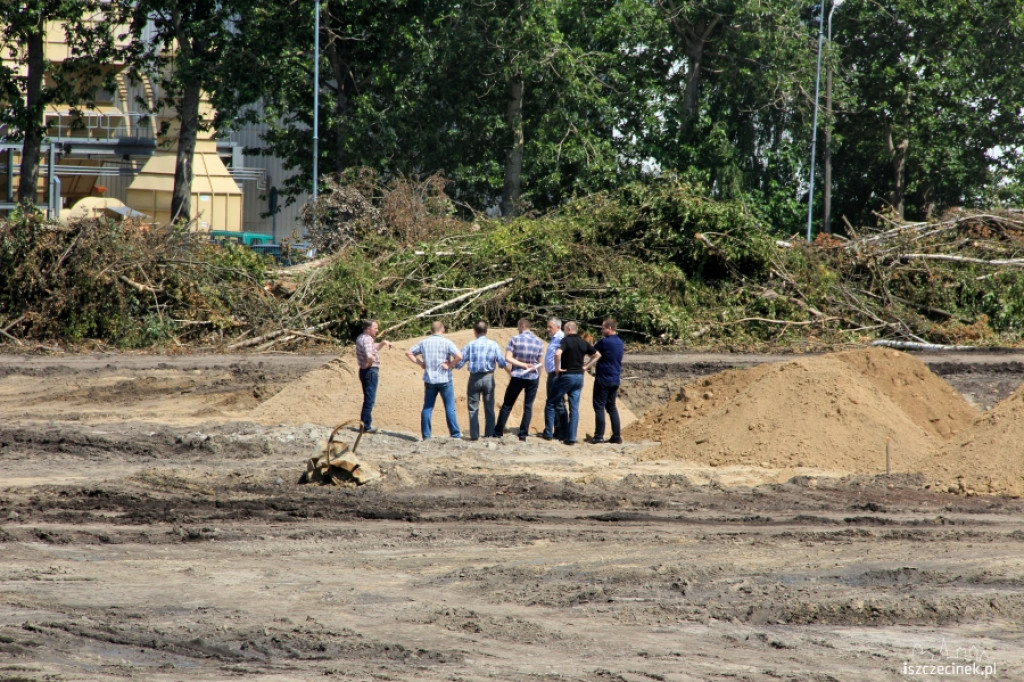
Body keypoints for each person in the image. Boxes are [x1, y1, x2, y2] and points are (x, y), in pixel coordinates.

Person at [544, 321, 599, 445]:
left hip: (567, 376)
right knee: (574, 409)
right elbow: (597, 355)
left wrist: (557, 368)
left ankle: (548, 433)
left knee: (551, 402)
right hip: (579, 377)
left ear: (569, 329)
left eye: (564, 329)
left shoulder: (566, 341)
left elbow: (558, 353)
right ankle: (571, 437)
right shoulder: (583, 342)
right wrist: (586, 366)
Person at [406, 321, 463, 440]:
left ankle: (426, 436)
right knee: (449, 407)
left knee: (428, 407)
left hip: (429, 379)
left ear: (431, 330)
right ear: (442, 330)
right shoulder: (447, 342)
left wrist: (421, 363)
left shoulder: (424, 342)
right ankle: (455, 434)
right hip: (445, 379)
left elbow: (409, 352)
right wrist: (451, 365)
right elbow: (459, 356)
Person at [454, 321, 507, 440]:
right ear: (486, 331)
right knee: (489, 407)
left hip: (474, 378)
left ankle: (474, 436)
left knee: (473, 408)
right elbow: (502, 362)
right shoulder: (493, 344)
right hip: (489, 377)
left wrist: (451, 363)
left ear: (475, 331)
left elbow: (459, 363)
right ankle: (489, 435)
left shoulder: (470, 345)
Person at [493, 318, 544, 441]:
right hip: (533, 377)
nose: (517, 329)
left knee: (507, 404)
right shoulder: (538, 341)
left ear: (522, 326)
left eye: (518, 326)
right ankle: (523, 434)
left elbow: (508, 358)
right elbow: (540, 363)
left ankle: (498, 432)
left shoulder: (515, 339)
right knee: (528, 406)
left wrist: (522, 365)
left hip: (517, 375)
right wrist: (538, 376)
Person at [589, 318, 624, 444]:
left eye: (603, 328)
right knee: (612, 407)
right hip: (615, 378)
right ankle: (616, 435)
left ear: (609, 329)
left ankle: (599, 435)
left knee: (599, 406)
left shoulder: (604, 342)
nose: (601, 330)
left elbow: (592, 352)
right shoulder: (620, 342)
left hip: (603, 378)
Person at [355, 319, 391, 433]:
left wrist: (382, 343)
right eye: (375, 328)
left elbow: (373, 350)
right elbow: (369, 354)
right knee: (369, 400)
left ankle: (364, 424)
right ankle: (365, 426)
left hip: (366, 371)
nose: (377, 330)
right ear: (368, 329)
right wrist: (368, 363)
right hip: (370, 371)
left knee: (368, 398)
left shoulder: (361, 337)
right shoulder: (367, 339)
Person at [541, 318, 569, 441]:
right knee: (554, 402)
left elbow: (561, 354)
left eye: (550, 327)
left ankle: (563, 430)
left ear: (558, 327)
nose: (548, 329)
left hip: (557, 374)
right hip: (552, 374)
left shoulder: (561, 338)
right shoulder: (554, 339)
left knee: (558, 403)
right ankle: (558, 429)